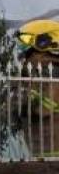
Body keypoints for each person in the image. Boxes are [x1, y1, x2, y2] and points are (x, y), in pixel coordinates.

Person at [16, 19, 59, 157]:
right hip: (40, 158)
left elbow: (43, 111)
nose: (24, 57)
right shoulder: (39, 76)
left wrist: (20, 105)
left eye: (29, 52)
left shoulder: (53, 76)